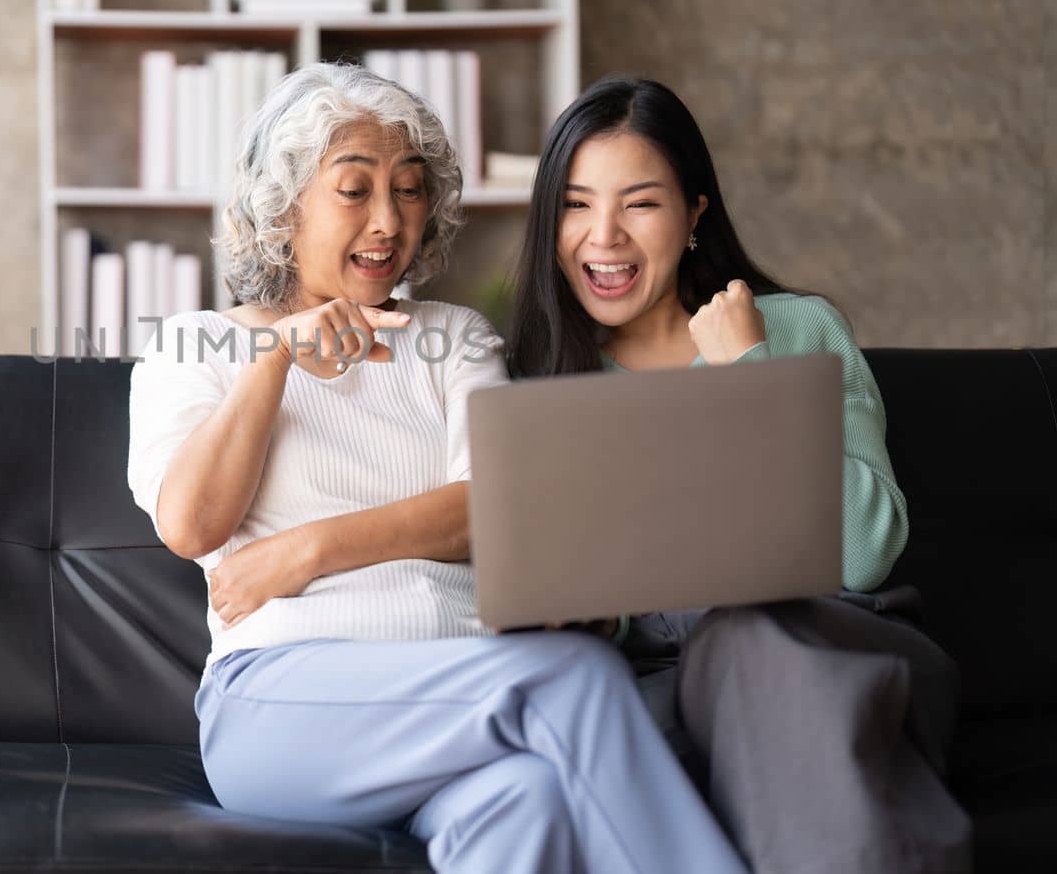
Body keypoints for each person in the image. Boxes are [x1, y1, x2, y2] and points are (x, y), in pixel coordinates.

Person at [126, 62, 745, 874]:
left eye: (411, 190)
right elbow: (192, 523)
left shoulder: (454, 336)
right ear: (284, 206)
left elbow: (490, 506)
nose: (389, 221)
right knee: (573, 679)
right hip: (284, 701)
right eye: (355, 189)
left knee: (527, 803)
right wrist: (275, 359)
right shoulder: (194, 347)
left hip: (464, 695)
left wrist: (307, 549)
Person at [505, 73, 972, 873]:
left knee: (751, 635)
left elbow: (864, 550)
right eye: (577, 204)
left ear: (694, 214)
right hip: (663, 681)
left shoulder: (796, 328)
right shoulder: (533, 384)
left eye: (640, 203)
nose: (604, 235)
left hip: (833, 643)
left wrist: (747, 376)